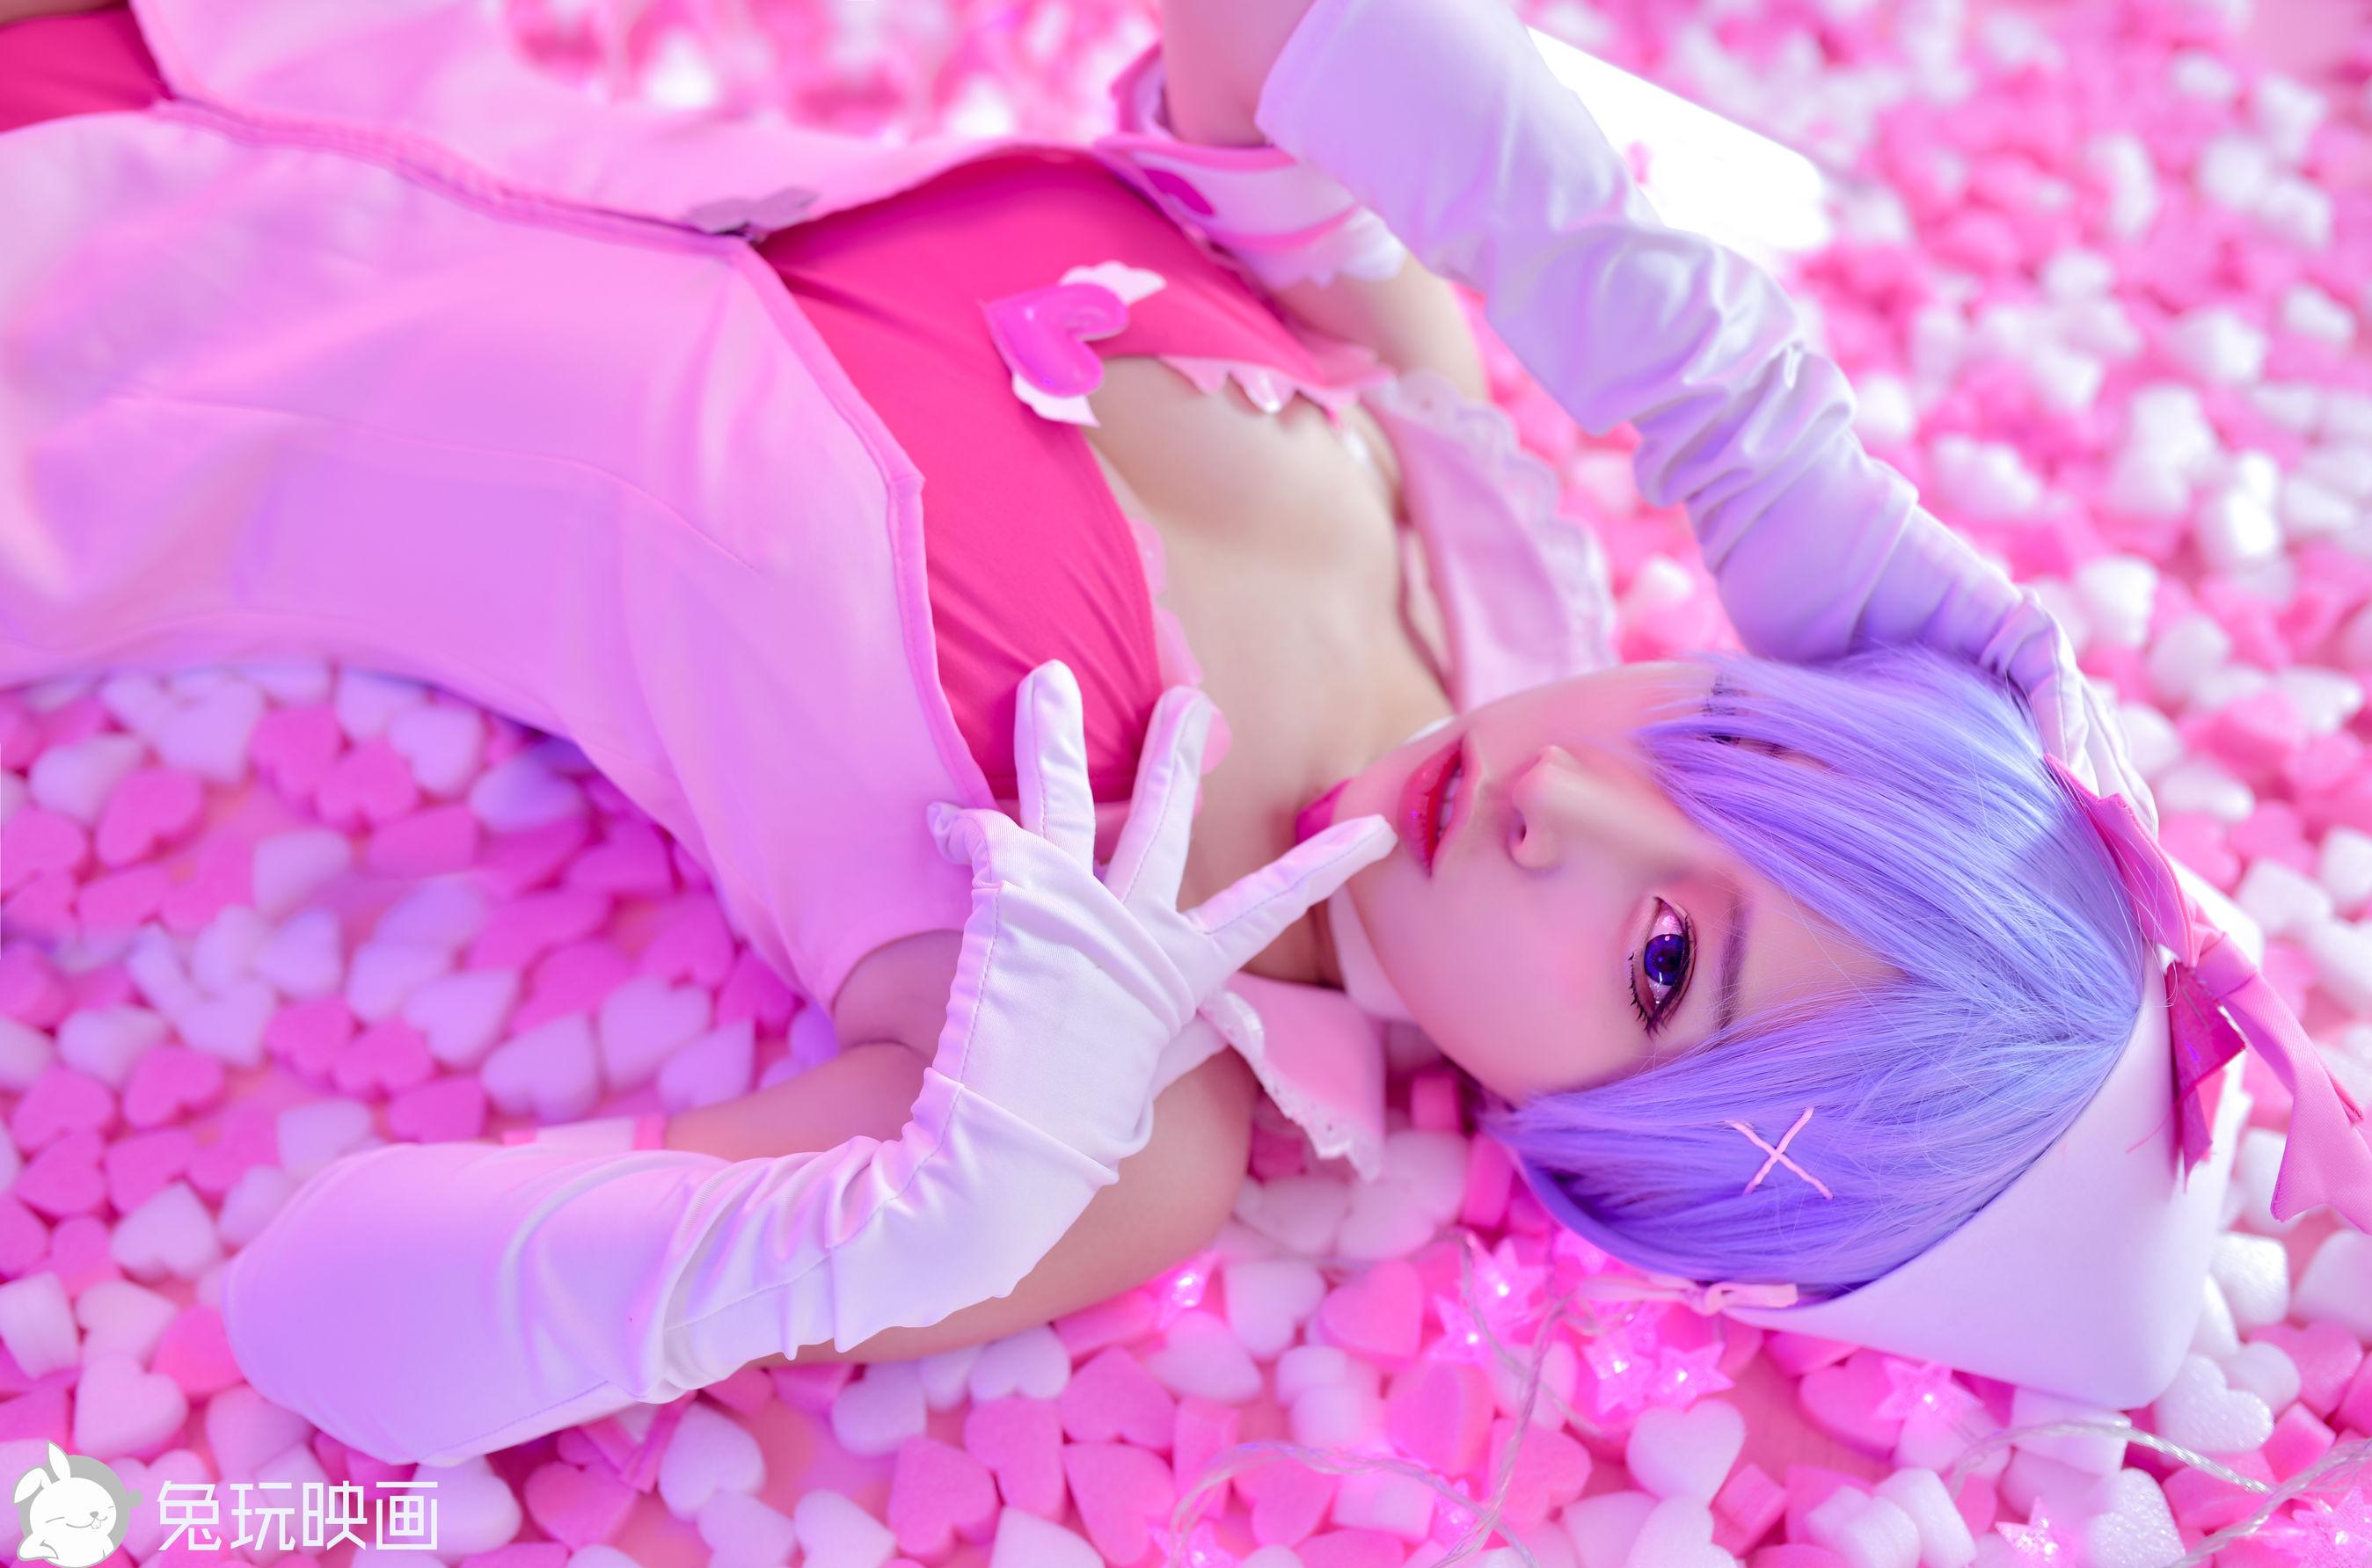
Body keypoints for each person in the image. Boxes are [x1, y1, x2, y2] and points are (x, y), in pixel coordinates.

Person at [7, 0, 2311, 1466]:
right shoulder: (1423, 439)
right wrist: (1743, 425)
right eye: (1753, 756)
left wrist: (925, 1214)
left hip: (77, 352)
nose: (1570, 801)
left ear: (1615, 1161)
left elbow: (326, 1331)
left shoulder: (1123, 1118)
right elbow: (1274, 22)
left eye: (1659, 962)